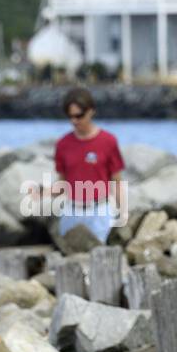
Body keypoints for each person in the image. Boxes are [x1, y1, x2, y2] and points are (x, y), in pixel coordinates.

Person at [50, 87, 126, 242]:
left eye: (79, 116)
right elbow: (62, 182)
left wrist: (122, 212)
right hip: (71, 211)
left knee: (99, 259)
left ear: (91, 111)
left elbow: (117, 181)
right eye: (70, 116)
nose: (74, 121)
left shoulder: (108, 141)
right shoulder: (63, 144)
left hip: (99, 212)